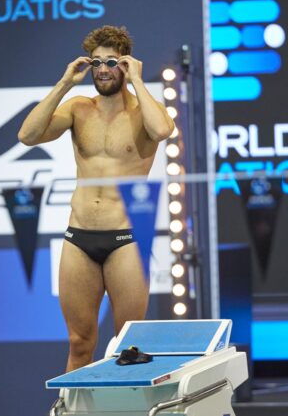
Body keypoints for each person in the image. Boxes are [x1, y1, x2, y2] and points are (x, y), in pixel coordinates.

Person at [18, 25, 175, 372]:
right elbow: (27, 135)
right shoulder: (78, 108)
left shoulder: (144, 112)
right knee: (79, 342)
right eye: (97, 63)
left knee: (129, 347)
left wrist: (137, 81)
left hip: (126, 240)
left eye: (112, 62)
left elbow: (163, 131)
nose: (103, 70)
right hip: (79, 238)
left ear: (126, 64)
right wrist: (64, 84)